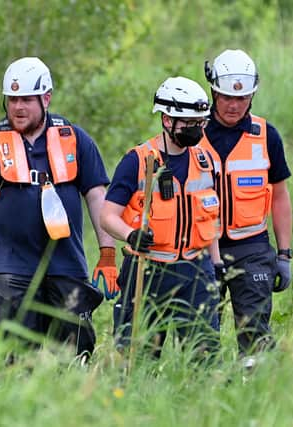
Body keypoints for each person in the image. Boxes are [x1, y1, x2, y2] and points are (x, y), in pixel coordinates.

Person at [0, 57, 116, 359]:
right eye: (12, 99)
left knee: (74, 355)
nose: (18, 107)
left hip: (66, 266)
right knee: (15, 358)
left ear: (47, 97)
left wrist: (107, 254)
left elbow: (97, 197)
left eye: (27, 99)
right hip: (9, 270)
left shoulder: (76, 139)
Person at [100, 76, 222, 359]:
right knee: (138, 357)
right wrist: (131, 235)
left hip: (195, 272)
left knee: (204, 356)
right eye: (190, 124)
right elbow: (108, 215)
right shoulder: (137, 161)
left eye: (200, 123)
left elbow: (210, 220)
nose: (198, 130)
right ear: (167, 120)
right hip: (147, 271)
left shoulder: (205, 161)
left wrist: (216, 265)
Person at [199, 49, 293, 358]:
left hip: (251, 248)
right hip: (198, 248)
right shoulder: (191, 133)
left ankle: (255, 389)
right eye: (226, 97)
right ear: (214, 91)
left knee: (255, 333)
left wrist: (284, 254)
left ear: (252, 95)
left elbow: (279, 196)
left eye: (241, 98)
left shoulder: (267, 137)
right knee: (201, 334)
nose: (233, 105)